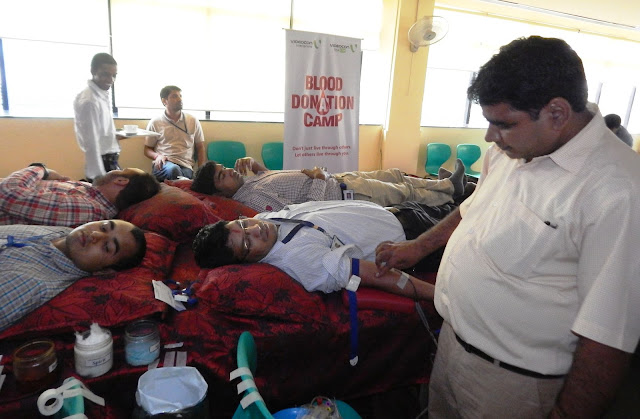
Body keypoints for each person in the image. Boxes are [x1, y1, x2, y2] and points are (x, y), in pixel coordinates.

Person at [375, 36, 640, 418]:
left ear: (557, 113)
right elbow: (472, 207)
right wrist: (418, 246)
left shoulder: (618, 190)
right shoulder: (510, 150)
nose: (489, 137)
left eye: (504, 124)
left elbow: (609, 336)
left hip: (513, 385)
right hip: (452, 347)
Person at [192, 200, 434, 300]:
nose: (256, 229)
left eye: (243, 224)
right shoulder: (299, 261)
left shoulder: (265, 219)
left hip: (402, 210)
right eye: (247, 243)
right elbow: (373, 273)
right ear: (245, 263)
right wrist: (438, 297)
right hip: (414, 239)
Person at [0, 219, 146, 331]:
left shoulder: (31, 283)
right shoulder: (63, 233)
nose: (95, 234)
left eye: (107, 247)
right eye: (103, 227)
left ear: (104, 271)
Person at [191, 157, 466, 212]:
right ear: (218, 191)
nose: (228, 170)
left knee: (394, 174)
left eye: (222, 167)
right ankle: (451, 191)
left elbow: (284, 182)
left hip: (341, 179)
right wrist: (320, 179)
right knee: (402, 193)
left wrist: (260, 169)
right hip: (344, 193)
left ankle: (441, 183)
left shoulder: (252, 182)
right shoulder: (250, 200)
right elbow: (301, 212)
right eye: (221, 175)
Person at [0, 164, 160, 227]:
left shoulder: (90, 210)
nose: (114, 169)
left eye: (122, 169)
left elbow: (8, 194)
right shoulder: (91, 191)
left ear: (120, 180)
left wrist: (40, 169)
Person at [73, 52, 125, 182]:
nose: (111, 80)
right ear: (93, 71)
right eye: (105, 74)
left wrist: (115, 135)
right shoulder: (90, 101)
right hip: (102, 163)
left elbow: (100, 131)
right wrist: (99, 178)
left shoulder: (100, 94)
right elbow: (91, 142)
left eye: (114, 75)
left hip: (109, 158)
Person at [144, 86, 207, 181]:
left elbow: (200, 147)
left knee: (181, 175)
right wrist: (157, 156)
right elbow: (147, 149)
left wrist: (201, 172)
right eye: (174, 96)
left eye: (180, 96)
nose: (179, 99)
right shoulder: (156, 122)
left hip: (186, 166)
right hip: (163, 164)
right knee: (175, 171)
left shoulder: (192, 120)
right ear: (164, 101)